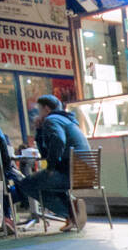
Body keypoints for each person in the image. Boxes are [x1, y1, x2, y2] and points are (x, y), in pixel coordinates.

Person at [14, 94, 88, 229]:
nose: (37, 113)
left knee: (26, 184)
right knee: (46, 183)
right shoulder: (67, 120)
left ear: (46, 109)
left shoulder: (52, 120)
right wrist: (40, 130)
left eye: (39, 110)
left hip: (70, 173)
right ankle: (72, 214)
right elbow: (45, 152)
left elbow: (58, 140)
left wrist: (51, 167)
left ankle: (71, 212)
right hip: (83, 172)